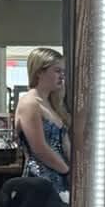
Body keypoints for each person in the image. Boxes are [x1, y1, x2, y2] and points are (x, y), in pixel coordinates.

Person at [14, 47, 71, 191]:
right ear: (39, 72)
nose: (62, 76)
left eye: (63, 72)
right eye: (57, 71)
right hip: (39, 181)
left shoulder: (51, 104)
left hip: (58, 177)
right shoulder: (30, 103)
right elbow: (40, 148)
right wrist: (68, 171)